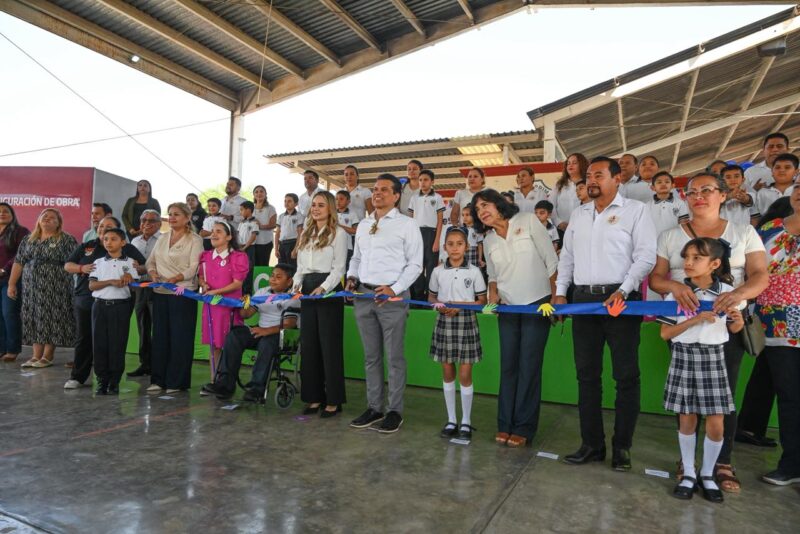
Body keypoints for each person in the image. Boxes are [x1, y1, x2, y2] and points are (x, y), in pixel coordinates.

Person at [649, 172, 769, 493]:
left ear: (722, 195)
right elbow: (656, 279)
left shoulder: (744, 233)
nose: (699, 195)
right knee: (687, 397)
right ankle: (687, 465)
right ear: (685, 197)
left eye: (707, 190)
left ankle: (721, 463)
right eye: (692, 191)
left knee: (723, 396)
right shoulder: (670, 236)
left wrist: (738, 294)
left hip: (727, 325)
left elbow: (760, 276)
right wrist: (675, 285)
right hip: (683, 324)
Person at [555, 156, 657, 470]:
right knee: (587, 376)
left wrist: (624, 289)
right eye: (588, 176)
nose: (591, 180)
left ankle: (622, 448)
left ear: (617, 179)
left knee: (625, 376)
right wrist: (560, 291)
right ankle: (592, 444)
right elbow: (567, 259)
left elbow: (646, 257)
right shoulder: (579, 214)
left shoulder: (636, 211)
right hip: (583, 300)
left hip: (620, 301)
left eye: (598, 174)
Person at [658, 238, 744, 502]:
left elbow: (734, 329)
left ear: (715, 264)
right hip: (684, 355)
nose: (689, 263)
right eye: (686, 257)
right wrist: (695, 319)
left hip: (714, 357)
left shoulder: (729, 293)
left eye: (697, 258)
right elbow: (665, 333)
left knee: (716, 421)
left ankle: (708, 473)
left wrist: (738, 321)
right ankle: (688, 473)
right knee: (687, 418)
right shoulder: (676, 294)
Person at [474, 189, 559, 448]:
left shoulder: (527, 220)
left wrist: (556, 299)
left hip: (537, 304)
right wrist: (492, 294)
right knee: (509, 366)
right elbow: (493, 276)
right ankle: (505, 424)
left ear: (499, 204)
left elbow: (552, 262)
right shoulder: (488, 240)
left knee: (529, 367)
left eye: (485, 205)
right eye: (477, 209)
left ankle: (524, 427)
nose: (482, 211)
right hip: (508, 308)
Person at [346, 173, 422, 433]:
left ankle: (394, 411)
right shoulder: (364, 225)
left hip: (392, 298)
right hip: (364, 297)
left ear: (396, 196)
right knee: (371, 357)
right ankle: (374, 407)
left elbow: (416, 264)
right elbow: (356, 258)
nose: (377, 194)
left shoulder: (406, 225)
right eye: (375, 189)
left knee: (394, 358)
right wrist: (351, 278)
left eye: (384, 190)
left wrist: (395, 289)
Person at [63, 216, 145, 389]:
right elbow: (68, 265)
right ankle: (80, 377)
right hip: (89, 300)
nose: (104, 231)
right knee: (87, 339)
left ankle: (113, 380)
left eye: (109, 228)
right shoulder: (89, 247)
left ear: (121, 238)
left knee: (116, 342)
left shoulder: (129, 252)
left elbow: (142, 269)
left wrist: (133, 273)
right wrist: (80, 268)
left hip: (120, 303)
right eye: (101, 227)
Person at [754, 186, 800, 486]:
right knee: (789, 395)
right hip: (777, 323)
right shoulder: (770, 229)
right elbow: (751, 270)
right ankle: (792, 463)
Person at [201, 264, 299, 401]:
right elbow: (246, 315)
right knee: (234, 336)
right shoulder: (262, 292)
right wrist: (245, 303)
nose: (273, 279)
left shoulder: (292, 297)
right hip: (261, 330)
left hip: (279, 334)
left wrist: (266, 331)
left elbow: (289, 324)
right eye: (272, 276)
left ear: (289, 281)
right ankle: (224, 385)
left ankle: (256, 389)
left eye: (278, 277)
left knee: (267, 344)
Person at [428, 226, 487, 441]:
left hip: (467, 322)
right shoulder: (437, 271)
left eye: (459, 244)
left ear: (467, 247)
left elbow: (482, 302)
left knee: (464, 374)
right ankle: (452, 419)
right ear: (444, 247)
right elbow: (431, 298)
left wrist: (461, 307)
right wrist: (440, 306)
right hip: (444, 321)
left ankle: (466, 421)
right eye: (450, 244)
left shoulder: (474, 272)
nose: (454, 248)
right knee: (447, 372)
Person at [294, 191, 348, 417]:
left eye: (321, 205)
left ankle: (333, 401)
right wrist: (297, 285)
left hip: (328, 290)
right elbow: (300, 267)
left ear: (331, 208)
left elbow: (339, 268)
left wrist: (324, 288)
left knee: (329, 345)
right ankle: (313, 397)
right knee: (310, 345)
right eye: (313, 205)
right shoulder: (306, 233)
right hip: (306, 289)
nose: (315, 209)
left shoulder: (339, 233)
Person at [145, 202, 203, 394]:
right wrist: (153, 274)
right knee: (160, 337)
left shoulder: (195, 239)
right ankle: (158, 379)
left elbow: (194, 267)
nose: (172, 218)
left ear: (187, 218)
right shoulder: (162, 238)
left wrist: (176, 278)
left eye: (176, 214)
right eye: (170, 214)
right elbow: (150, 261)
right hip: (161, 291)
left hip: (182, 293)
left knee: (180, 337)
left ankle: (177, 381)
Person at [8, 209, 77, 368]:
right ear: (38, 220)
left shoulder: (66, 239)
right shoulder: (28, 239)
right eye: (44, 216)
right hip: (31, 288)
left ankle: (48, 356)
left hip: (56, 287)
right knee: (33, 318)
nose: (47, 219)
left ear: (59, 222)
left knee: (51, 318)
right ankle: (35, 355)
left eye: (52, 217)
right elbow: (19, 262)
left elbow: (73, 261)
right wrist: (12, 284)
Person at [87, 228, 139, 395]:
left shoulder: (130, 262)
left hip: (120, 307)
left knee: (117, 344)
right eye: (106, 239)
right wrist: (110, 282)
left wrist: (130, 279)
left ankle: (114, 381)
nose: (109, 242)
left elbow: (134, 285)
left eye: (114, 239)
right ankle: (102, 380)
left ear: (123, 242)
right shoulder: (99, 262)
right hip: (100, 306)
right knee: (99, 344)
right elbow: (92, 285)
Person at [198, 221, 248, 373]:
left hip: (227, 308)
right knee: (214, 345)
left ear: (229, 237)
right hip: (211, 307)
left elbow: (237, 284)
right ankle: (214, 380)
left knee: (228, 344)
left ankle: (226, 380)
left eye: (219, 231)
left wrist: (215, 292)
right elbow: (201, 276)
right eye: (213, 231)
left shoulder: (238, 257)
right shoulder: (205, 256)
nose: (213, 234)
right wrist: (204, 284)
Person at [127, 209, 161, 378]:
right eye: (143, 220)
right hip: (139, 287)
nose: (146, 223)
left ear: (159, 223)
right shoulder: (134, 241)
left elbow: (164, 263)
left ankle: (158, 364)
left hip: (158, 287)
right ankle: (145, 363)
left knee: (158, 326)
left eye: (151, 220)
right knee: (142, 326)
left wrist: (146, 268)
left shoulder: (164, 240)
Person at [408, 169, 445, 301]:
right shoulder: (414, 198)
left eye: (426, 180)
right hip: (417, 234)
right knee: (417, 267)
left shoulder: (438, 198)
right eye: (420, 180)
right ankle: (418, 298)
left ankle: (430, 297)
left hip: (432, 234)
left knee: (431, 268)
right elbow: (411, 220)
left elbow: (440, 221)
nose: (422, 183)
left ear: (432, 182)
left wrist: (437, 241)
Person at [0, 203, 30, 362]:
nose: (2, 213)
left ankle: (12, 349)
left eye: (5, 211)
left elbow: (21, 255)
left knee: (9, 313)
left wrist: (4, 269)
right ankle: (1, 348)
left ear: (12, 214)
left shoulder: (21, 231)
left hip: (11, 279)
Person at [551, 153, 588, 235]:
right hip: (561, 230)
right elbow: (551, 205)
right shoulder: (559, 184)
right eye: (568, 163)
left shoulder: (588, 183)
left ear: (582, 165)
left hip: (582, 229)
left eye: (574, 163)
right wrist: (558, 223)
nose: (570, 165)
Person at [646, 171, 689, 235]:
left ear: (672, 186)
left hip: (674, 240)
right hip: (654, 240)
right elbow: (645, 225)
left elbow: (684, 224)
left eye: (667, 182)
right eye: (659, 182)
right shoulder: (647, 205)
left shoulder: (680, 203)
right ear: (653, 187)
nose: (663, 184)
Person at [274, 193, 302, 268]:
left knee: (292, 267)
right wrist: (276, 249)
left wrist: (295, 249)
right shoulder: (281, 216)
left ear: (296, 203)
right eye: (285, 201)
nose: (286, 203)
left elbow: (300, 234)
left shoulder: (299, 216)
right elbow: (277, 233)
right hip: (282, 245)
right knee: (281, 268)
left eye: (289, 201)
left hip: (292, 244)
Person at [237, 200, 259, 295]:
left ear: (248, 210)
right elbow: (237, 234)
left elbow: (253, 236)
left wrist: (245, 247)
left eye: (242, 210)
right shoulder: (241, 222)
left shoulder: (254, 222)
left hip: (249, 248)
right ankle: (240, 291)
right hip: (240, 248)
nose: (240, 212)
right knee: (239, 270)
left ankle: (247, 293)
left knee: (248, 270)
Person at [252, 185, 277, 267]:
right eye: (256, 192)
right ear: (254, 195)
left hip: (265, 243)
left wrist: (260, 226)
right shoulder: (250, 208)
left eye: (261, 191)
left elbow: (273, 225)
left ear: (266, 194)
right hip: (251, 242)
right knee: (251, 266)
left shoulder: (270, 208)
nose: (259, 193)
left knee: (262, 267)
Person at [335, 190, 360, 270]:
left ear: (348, 201)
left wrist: (339, 226)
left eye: (341, 199)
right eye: (336, 199)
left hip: (347, 246)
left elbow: (355, 231)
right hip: (333, 246)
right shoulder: (331, 213)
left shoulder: (353, 214)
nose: (338, 201)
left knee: (346, 268)